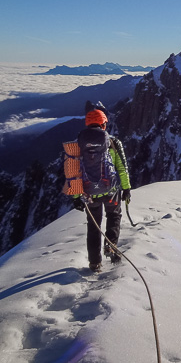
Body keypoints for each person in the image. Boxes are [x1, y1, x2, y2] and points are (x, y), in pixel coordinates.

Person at [72, 101, 131, 272]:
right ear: (104, 123)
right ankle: (111, 247)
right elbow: (121, 168)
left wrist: (76, 197)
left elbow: (74, 172)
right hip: (111, 191)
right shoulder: (112, 142)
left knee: (93, 225)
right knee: (114, 216)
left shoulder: (79, 144)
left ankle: (94, 263)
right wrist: (126, 189)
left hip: (90, 194)